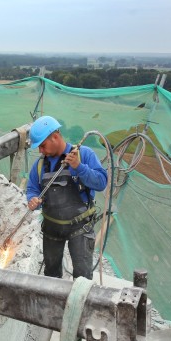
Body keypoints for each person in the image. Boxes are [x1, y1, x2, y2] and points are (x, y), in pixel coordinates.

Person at [25, 116, 107, 280]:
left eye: (42, 145)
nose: (40, 151)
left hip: (80, 228)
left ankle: (78, 305)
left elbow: (101, 183)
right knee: (51, 275)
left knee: (82, 278)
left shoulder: (84, 155)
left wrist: (79, 167)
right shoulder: (40, 165)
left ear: (55, 137)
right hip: (51, 229)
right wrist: (32, 199)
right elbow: (32, 189)